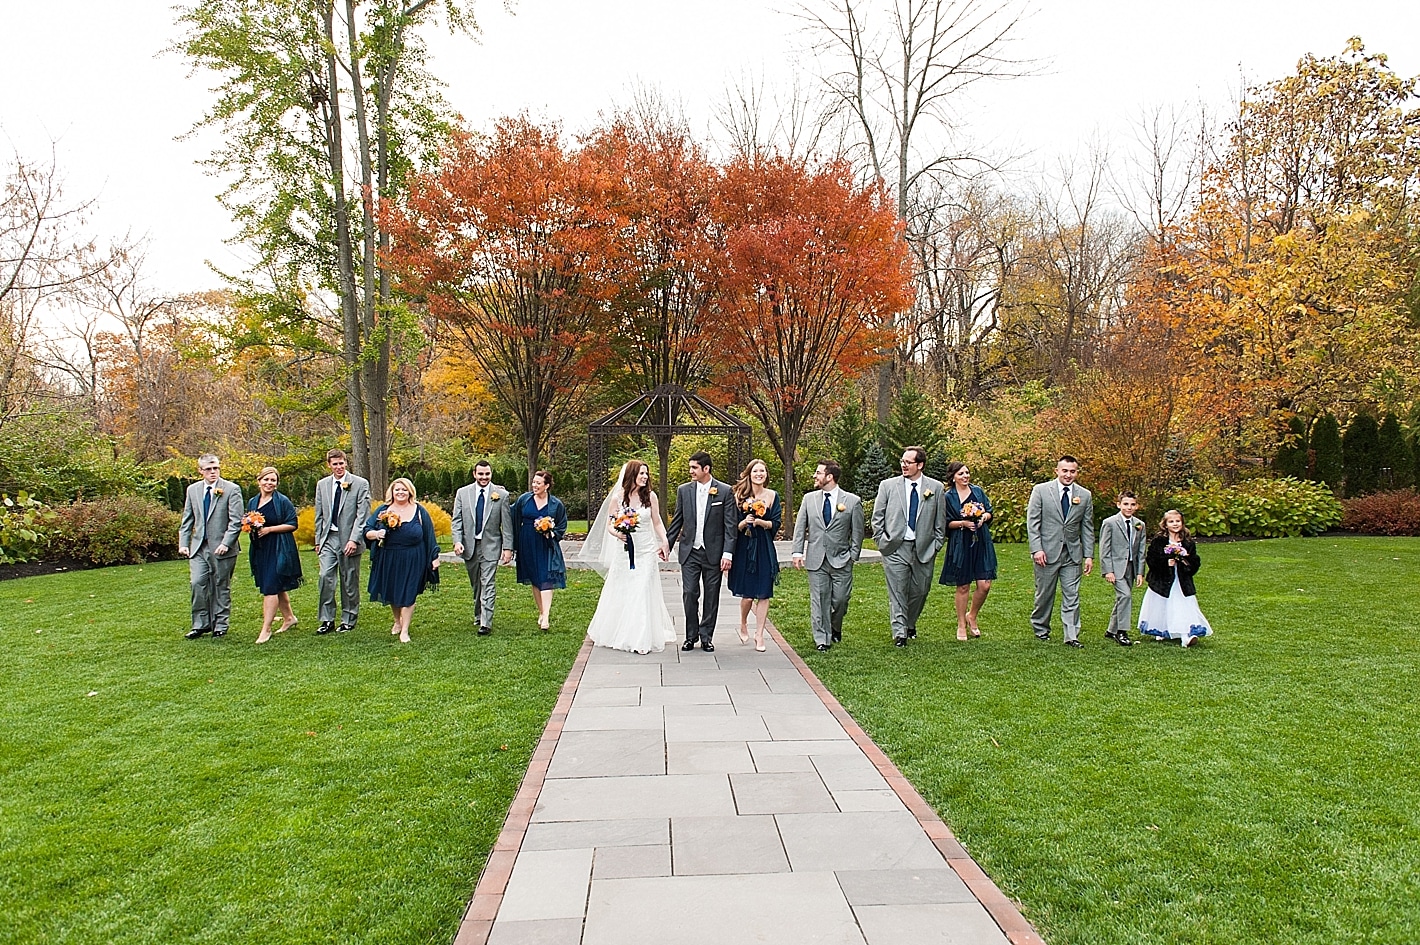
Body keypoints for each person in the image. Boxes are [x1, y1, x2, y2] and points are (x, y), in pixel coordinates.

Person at [582, 461, 676, 654]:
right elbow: (610, 524)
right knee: (624, 589)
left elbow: (657, 522)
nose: (645, 477)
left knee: (642, 589)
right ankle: (621, 630)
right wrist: (617, 533)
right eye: (642, 473)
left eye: (646, 474)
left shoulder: (650, 497)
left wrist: (665, 541)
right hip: (624, 551)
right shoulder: (618, 499)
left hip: (646, 550)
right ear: (632, 474)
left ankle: (641, 637)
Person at [871, 446, 947, 647]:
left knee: (920, 590)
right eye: (902, 462)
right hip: (895, 547)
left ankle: (909, 622)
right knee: (897, 591)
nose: (903, 465)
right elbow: (877, 517)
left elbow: (940, 521)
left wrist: (937, 544)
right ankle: (900, 633)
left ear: (920, 465)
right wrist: (882, 541)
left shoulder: (936, 488)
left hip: (924, 548)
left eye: (908, 462)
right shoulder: (888, 486)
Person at [665, 451, 737, 652]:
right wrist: (667, 545)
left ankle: (706, 637)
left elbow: (730, 526)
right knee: (689, 592)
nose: (691, 471)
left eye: (694, 468)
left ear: (706, 469)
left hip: (713, 553)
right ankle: (690, 635)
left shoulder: (724, 491)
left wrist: (728, 553)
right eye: (690, 468)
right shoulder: (684, 490)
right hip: (690, 551)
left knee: (711, 595)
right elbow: (677, 520)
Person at [791, 460, 864, 652]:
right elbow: (800, 528)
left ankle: (834, 626)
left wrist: (853, 555)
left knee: (840, 600)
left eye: (818, 473)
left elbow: (857, 532)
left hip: (841, 558)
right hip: (816, 559)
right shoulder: (809, 499)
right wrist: (797, 552)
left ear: (829, 476)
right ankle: (822, 639)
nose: (815, 476)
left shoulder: (852, 501)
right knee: (819, 599)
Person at [1026, 455, 1095, 648]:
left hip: (1072, 554)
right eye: (1064, 471)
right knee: (1044, 594)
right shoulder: (1040, 491)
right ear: (1057, 471)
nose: (1068, 475)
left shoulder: (1084, 495)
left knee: (1072, 594)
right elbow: (1033, 523)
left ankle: (1071, 635)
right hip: (1046, 552)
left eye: (1072, 471)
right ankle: (1040, 627)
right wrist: (1037, 549)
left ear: (1077, 472)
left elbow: (1087, 527)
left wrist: (1088, 555)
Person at [364, 477, 441, 643]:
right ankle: (397, 621)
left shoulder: (419, 511)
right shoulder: (382, 511)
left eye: (404, 489)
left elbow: (429, 536)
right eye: (397, 489)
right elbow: (367, 531)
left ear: (410, 492)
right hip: (389, 557)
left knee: (409, 591)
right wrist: (377, 534)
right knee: (393, 590)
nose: (400, 492)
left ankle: (404, 630)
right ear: (392, 492)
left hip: (414, 558)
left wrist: (434, 557)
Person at [178, 453, 245, 639]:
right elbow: (187, 520)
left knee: (220, 585)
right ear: (201, 471)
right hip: (199, 546)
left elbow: (236, 521)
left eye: (216, 468)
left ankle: (220, 624)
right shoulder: (192, 490)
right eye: (208, 469)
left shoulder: (231, 489)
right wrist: (184, 543)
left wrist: (226, 543)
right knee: (197, 583)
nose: (213, 472)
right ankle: (200, 624)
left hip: (223, 547)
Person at [451, 461, 514, 635]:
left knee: (488, 583)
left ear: (491, 474)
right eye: (481, 474)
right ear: (474, 474)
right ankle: (479, 614)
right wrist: (457, 541)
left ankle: (486, 623)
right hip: (469, 546)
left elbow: (506, 525)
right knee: (477, 584)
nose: (484, 477)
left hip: (491, 545)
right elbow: (456, 521)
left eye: (487, 474)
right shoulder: (462, 494)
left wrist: (508, 548)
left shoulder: (501, 495)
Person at [938, 462, 997, 641]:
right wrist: (963, 523)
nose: (965, 476)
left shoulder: (977, 491)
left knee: (984, 585)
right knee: (963, 585)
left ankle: (972, 615)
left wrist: (983, 517)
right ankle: (961, 624)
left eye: (967, 473)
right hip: (960, 542)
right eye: (961, 473)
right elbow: (946, 523)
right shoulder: (948, 497)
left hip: (981, 540)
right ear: (953, 477)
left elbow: (989, 512)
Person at [313, 448, 371, 635]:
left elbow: (362, 515)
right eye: (335, 464)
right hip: (328, 538)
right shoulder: (322, 485)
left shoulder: (360, 484)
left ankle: (349, 618)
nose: (339, 467)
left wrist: (354, 539)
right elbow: (319, 514)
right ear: (329, 465)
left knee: (349, 580)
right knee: (325, 577)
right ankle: (327, 619)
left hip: (349, 538)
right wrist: (317, 540)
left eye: (341, 463)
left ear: (346, 463)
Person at [727, 458, 782, 651]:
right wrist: (745, 523)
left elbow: (775, 523)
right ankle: (743, 622)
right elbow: (731, 525)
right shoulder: (738, 495)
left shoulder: (772, 496)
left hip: (763, 547)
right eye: (756, 471)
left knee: (764, 593)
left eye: (762, 471)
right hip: (744, 547)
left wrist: (761, 523)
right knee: (748, 596)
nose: (759, 474)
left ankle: (760, 634)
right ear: (749, 474)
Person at [1138, 508, 1212, 646]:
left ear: (1182, 523)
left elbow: (1194, 561)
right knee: (1161, 604)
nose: (1175, 524)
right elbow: (1151, 559)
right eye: (1171, 521)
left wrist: (1183, 561)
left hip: (1181, 580)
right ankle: (1161, 629)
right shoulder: (1159, 541)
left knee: (1182, 604)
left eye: (1178, 521)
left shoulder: (1187, 542)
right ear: (1165, 524)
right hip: (1162, 580)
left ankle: (1187, 634)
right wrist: (1166, 562)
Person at [246, 466, 303, 644]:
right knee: (276, 586)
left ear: (277, 484)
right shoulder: (253, 502)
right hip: (261, 548)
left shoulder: (282, 501)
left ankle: (266, 629)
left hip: (279, 547)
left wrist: (270, 529)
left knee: (270, 586)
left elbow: (293, 524)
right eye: (266, 479)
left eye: (273, 480)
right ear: (259, 480)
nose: (269, 483)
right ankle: (289, 618)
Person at [511, 470, 568, 629]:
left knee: (546, 576)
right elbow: (512, 513)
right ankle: (542, 611)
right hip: (527, 542)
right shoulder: (524, 499)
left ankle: (546, 617)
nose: (534, 485)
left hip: (546, 544)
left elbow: (562, 524)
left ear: (547, 486)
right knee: (535, 578)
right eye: (534, 482)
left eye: (538, 483)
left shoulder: (556, 504)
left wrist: (552, 533)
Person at [1098, 490, 1147, 647]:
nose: (1129, 507)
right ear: (1118, 504)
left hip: (1131, 567)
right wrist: (1108, 570)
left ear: (1137, 506)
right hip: (1116, 567)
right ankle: (1122, 632)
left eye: (1132, 504)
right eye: (1126, 504)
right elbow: (1104, 548)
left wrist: (1140, 572)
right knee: (1125, 596)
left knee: (1122, 598)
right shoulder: (1110, 523)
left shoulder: (1139, 524)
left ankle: (1111, 630)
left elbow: (1141, 550)